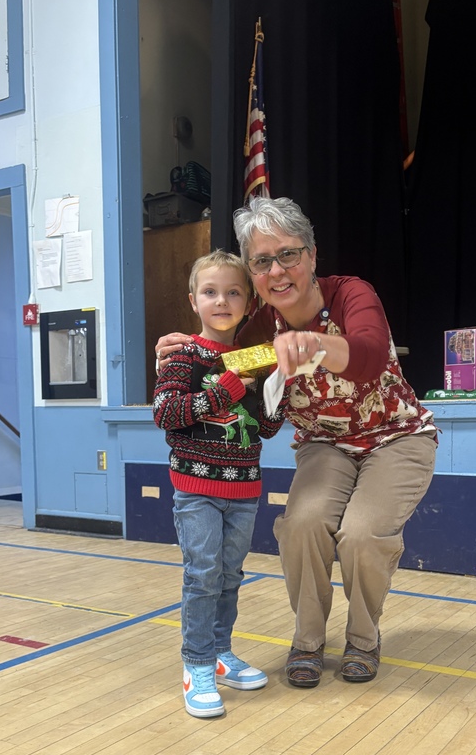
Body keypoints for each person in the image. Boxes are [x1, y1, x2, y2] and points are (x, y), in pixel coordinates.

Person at [155, 198, 437, 689]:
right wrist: (182, 355)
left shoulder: (350, 294)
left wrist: (318, 345)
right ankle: (308, 640)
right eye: (262, 261)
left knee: (363, 534)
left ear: (311, 255)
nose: (277, 270)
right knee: (302, 525)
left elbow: (369, 356)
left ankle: (363, 639)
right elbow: (222, 371)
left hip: (396, 438)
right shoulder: (261, 329)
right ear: (254, 275)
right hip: (324, 445)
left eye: (288, 254)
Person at [153, 248, 289, 718]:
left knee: (230, 576)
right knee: (203, 575)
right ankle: (196, 665)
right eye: (211, 292)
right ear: (194, 300)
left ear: (249, 302)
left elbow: (266, 429)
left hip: (245, 488)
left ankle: (220, 653)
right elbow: (167, 416)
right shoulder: (180, 354)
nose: (222, 301)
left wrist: (277, 387)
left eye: (233, 292)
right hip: (196, 489)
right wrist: (228, 387)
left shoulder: (255, 358)